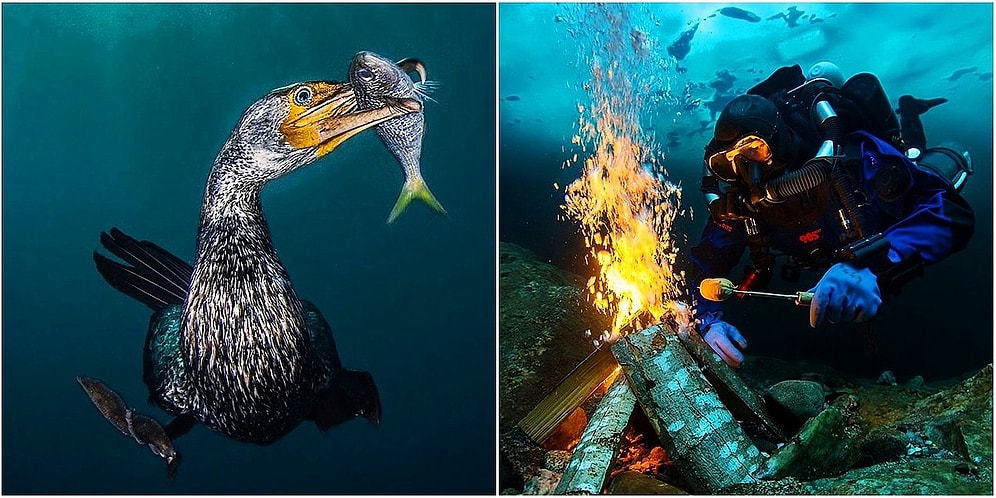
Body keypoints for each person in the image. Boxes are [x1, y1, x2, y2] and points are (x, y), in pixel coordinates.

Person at [689, 62, 975, 368]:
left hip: (875, 225)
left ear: (780, 138)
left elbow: (952, 213)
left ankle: (908, 111)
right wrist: (706, 318)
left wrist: (875, 266)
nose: (747, 171)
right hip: (832, 250)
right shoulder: (742, 202)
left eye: (754, 151)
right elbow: (706, 260)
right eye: (726, 164)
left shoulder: (852, 159)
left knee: (914, 156)